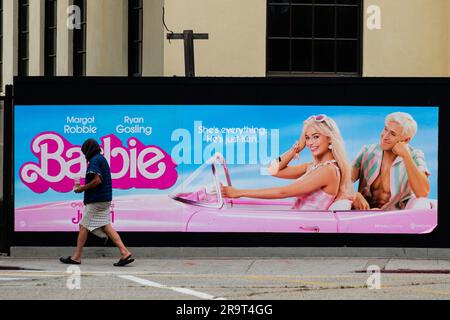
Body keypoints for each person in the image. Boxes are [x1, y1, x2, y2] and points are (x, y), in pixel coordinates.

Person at [221, 115, 353, 210]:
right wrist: (296, 148)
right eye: (307, 138)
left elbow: (283, 192)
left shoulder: (328, 170)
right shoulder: (313, 167)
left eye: (316, 137)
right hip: (296, 223)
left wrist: (239, 192)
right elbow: (271, 169)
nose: (310, 143)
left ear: (330, 139)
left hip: (304, 228)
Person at [60, 138, 134, 267]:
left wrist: (81, 188)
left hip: (97, 200)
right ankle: (125, 252)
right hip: (105, 199)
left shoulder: (94, 160)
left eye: (84, 152)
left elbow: (97, 180)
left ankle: (76, 257)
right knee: (106, 226)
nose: (84, 155)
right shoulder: (101, 158)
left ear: (88, 150)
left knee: (83, 226)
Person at [351, 112, 430, 210]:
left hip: (394, 217)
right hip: (362, 214)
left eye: (392, 134)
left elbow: (423, 192)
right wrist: (355, 194)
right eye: (385, 129)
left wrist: (406, 156)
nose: (385, 136)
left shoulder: (415, 155)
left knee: (422, 202)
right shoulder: (367, 151)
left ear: (406, 140)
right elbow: (344, 181)